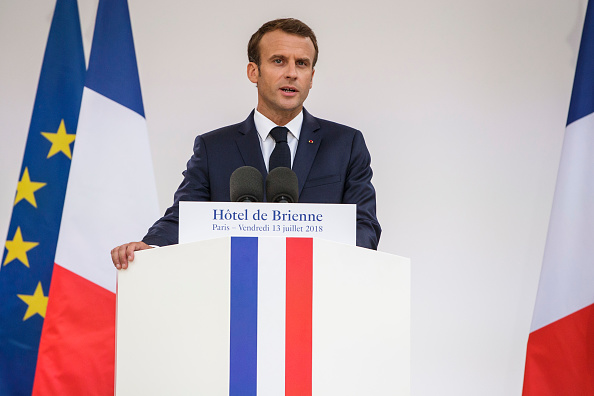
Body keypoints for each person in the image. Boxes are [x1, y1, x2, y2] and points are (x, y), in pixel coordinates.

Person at [111, 18, 381, 269]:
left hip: (317, 293)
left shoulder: (346, 144)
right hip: (236, 292)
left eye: (302, 63)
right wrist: (151, 246)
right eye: (278, 61)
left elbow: (364, 226)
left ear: (311, 76)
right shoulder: (213, 147)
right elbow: (184, 217)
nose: (291, 73)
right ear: (254, 72)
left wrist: (336, 267)